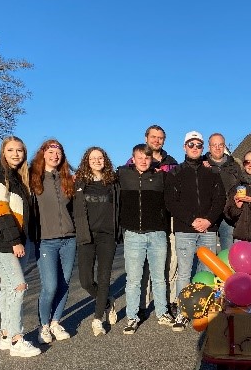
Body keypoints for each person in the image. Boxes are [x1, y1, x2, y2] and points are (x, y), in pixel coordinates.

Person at [0, 136, 40, 357]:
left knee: (7, 286)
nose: (15, 154)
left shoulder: (17, 178)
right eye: (11, 150)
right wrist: (14, 241)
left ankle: (5, 335)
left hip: (15, 239)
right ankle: (16, 339)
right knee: (18, 286)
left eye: (20, 151)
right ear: (3, 152)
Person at [165, 131, 225, 331]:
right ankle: (183, 312)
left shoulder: (212, 173)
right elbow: (171, 202)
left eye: (198, 145)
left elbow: (220, 200)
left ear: (202, 148)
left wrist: (208, 220)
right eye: (191, 144)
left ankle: (205, 308)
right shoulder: (176, 173)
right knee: (184, 272)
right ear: (184, 147)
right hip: (185, 230)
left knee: (207, 271)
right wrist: (192, 221)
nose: (194, 148)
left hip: (208, 230)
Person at [119, 144, 174, 334]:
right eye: (139, 157)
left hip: (157, 234)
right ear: (132, 159)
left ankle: (162, 312)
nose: (143, 161)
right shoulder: (123, 175)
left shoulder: (161, 177)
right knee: (133, 279)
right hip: (133, 235)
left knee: (159, 278)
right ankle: (132, 317)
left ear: (152, 159)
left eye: (147, 157)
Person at [29, 139, 76, 343]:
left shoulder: (67, 179)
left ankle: (56, 322)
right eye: (50, 151)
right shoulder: (33, 178)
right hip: (46, 241)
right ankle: (44, 326)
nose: (55, 155)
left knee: (64, 284)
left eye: (58, 152)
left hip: (69, 239)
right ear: (43, 154)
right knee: (50, 286)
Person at [73, 147, 119, 336]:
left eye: (100, 158)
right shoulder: (80, 183)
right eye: (93, 158)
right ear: (87, 161)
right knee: (85, 281)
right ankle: (107, 301)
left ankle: (98, 318)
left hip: (107, 236)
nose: (97, 161)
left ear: (105, 160)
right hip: (87, 236)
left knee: (104, 277)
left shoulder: (114, 182)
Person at [202, 133, 240, 250]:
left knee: (227, 252)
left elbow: (240, 187)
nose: (217, 148)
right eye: (214, 145)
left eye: (220, 145)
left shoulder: (234, 166)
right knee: (208, 254)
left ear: (224, 146)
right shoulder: (201, 165)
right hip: (208, 214)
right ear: (209, 147)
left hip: (228, 215)